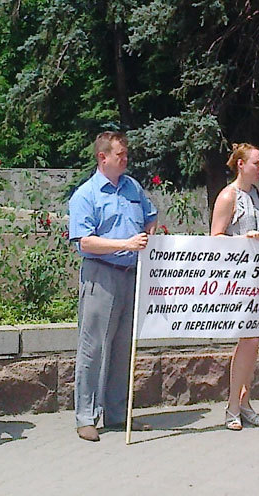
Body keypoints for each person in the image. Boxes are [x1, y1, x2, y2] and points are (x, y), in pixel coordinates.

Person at [67, 131, 158, 441]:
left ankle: (117, 413)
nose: (125, 158)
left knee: (122, 347)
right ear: (102, 157)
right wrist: (126, 244)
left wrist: (146, 237)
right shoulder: (86, 195)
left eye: (125, 153)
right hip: (100, 275)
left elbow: (150, 217)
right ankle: (86, 417)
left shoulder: (133, 187)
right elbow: (84, 241)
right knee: (93, 348)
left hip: (131, 275)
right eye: (119, 154)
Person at [211, 142, 259, 430]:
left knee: (254, 341)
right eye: (256, 163)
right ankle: (233, 404)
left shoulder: (257, 194)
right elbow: (215, 238)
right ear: (241, 165)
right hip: (238, 278)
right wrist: (243, 239)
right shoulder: (228, 196)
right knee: (246, 340)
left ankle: (245, 400)